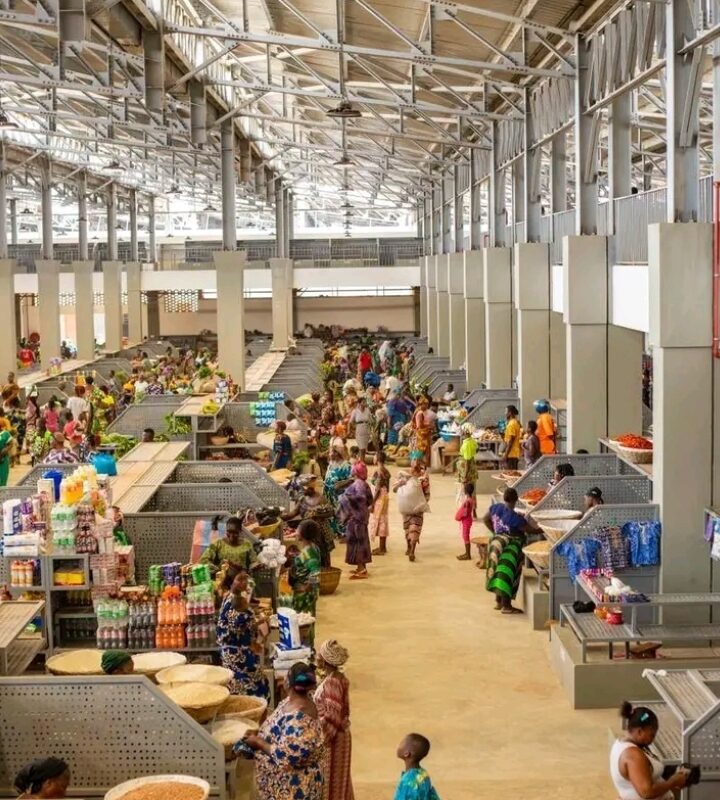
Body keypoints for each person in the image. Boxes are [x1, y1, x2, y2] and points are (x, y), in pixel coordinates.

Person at [241, 662, 325, 800]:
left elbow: (287, 756)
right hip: (276, 784)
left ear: (289, 683)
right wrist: (260, 732)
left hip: (294, 789)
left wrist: (259, 743)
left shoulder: (300, 720)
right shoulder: (289, 702)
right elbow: (278, 724)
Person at [610, 702, 689, 800]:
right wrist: (673, 781)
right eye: (651, 735)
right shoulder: (633, 755)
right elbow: (646, 792)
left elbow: (646, 773)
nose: (652, 739)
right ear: (640, 731)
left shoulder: (621, 743)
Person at [483, 487, 541, 614]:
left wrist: (495, 531)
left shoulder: (497, 508)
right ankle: (507, 606)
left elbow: (485, 519)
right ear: (516, 500)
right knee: (507, 574)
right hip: (509, 549)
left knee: (498, 571)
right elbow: (530, 530)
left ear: (504, 498)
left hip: (495, 543)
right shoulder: (515, 518)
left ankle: (498, 601)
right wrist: (541, 528)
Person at [216, 566, 270, 698]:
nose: (244, 582)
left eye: (245, 578)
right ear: (230, 582)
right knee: (250, 689)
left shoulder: (235, 596)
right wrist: (259, 621)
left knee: (255, 686)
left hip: (242, 652)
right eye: (239, 579)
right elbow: (237, 625)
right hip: (237, 656)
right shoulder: (231, 601)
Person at [314, 640, 354, 800]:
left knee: (332, 781)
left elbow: (332, 716)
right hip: (339, 736)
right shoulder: (336, 677)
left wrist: (319, 738)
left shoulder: (332, 683)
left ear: (324, 660)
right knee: (340, 780)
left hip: (334, 739)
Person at [339, 461, 373, 580]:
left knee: (357, 541)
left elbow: (361, 499)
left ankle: (362, 569)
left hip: (356, 518)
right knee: (362, 540)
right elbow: (369, 500)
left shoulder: (358, 484)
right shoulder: (364, 483)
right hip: (362, 516)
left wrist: (346, 497)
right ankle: (360, 566)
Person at [394, 459, 430, 563]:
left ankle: (410, 549)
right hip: (417, 507)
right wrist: (424, 502)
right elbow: (427, 493)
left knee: (408, 527)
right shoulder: (421, 477)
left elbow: (395, 489)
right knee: (415, 528)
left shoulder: (407, 475)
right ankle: (411, 550)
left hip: (407, 507)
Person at [284, 519, 322, 617]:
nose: (296, 531)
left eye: (298, 529)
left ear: (303, 533)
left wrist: (306, 588)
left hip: (304, 591)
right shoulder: (313, 547)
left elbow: (315, 572)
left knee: (303, 618)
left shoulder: (308, 553)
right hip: (307, 590)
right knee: (308, 616)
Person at [393, 733, 440, 800]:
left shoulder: (407, 782)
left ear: (406, 754)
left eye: (401, 743)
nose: (398, 745)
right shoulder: (423, 774)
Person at [324, 449, 352, 536]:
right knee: (331, 513)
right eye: (329, 452)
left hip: (339, 495)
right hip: (329, 494)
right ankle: (335, 532)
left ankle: (344, 534)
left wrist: (340, 484)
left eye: (331, 452)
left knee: (341, 513)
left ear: (338, 453)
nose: (330, 454)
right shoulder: (331, 463)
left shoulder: (346, 465)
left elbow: (352, 479)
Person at [369, 451, 391, 556]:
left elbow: (377, 488)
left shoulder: (378, 471)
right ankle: (383, 546)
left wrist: (372, 503)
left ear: (377, 459)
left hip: (380, 497)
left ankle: (382, 548)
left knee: (380, 521)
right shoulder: (386, 471)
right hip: (385, 495)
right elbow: (388, 488)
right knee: (383, 520)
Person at [455, 483, 477, 562]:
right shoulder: (471, 499)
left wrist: (459, 516)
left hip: (466, 521)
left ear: (466, 491)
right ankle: (467, 553)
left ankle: (468, 554)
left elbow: (465, 512)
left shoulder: (467, 501)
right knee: (465, 536)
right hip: (467, 520)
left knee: (466, 536)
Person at [455, 430, 477, 504]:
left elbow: (467, 461)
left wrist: (465, 475)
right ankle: (473, 510)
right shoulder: (472, 441)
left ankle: (466, 508)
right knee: (472, 490)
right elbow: (477, 450)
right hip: (471, 470)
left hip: (467, 471)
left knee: (466, 491)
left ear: (465, 433)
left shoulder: (467, 444)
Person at [349, 396, 372, 462]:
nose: (365, 403)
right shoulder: (355, 411)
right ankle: (361, 462)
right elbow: (350, 422)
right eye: (363, 402)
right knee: (361, 448)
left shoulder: (367, 410)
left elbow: (370, 420)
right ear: (359, 403)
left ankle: (362, 461)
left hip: (366, 429)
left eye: (365, 402)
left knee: (364, 448)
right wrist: (351, 430)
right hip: (359, 429)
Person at [410, 398, 431, 466]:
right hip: (420, 434)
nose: (427, 406)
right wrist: (428, 425)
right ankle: (418, 465)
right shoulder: (420, 413)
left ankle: (416, 465)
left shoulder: (417, 411)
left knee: (416, 449)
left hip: (417, 433)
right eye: (426, 404)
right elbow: (419, 425)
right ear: (422, 404)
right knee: (420, 450)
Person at [502, 405, 521, 470]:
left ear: (509, 413)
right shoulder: (514, 422)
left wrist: (505, 455)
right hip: (514, 454)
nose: (505, 413)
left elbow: (510, 442)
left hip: (511, 455)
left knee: (511, 475)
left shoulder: (511, 424)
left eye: (506, 411)